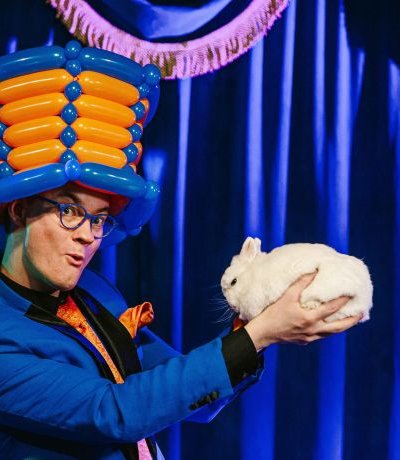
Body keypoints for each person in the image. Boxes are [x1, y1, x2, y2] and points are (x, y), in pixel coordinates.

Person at [0, 42, 362, 459]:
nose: (88, 236)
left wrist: (251, 327)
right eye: (70, 211)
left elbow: (188, 397)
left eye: (99, 219)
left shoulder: (97, 293)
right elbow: (113, 412)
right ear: (19, 209)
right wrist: (263, 332)